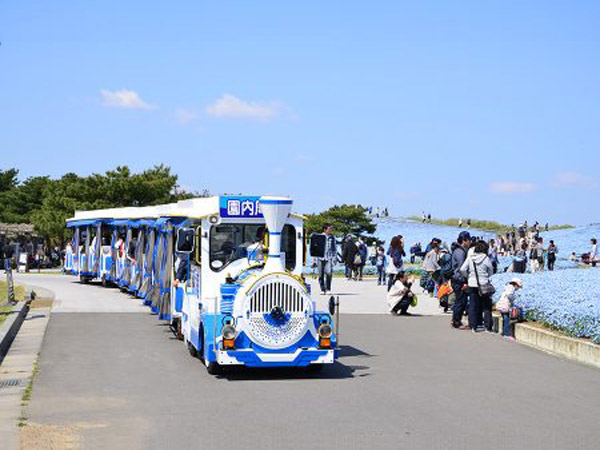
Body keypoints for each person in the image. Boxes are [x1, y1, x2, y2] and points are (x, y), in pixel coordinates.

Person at [460, 240, 494, 332]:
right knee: (486, 306)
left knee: (473, 305)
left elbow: (462, 269)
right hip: (484, 284)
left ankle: (473, 326)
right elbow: (491, 271)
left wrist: (469, 276)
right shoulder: (486, 258)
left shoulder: (470, 257)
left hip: (472, 283)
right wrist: (485, 276)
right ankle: (487, 326)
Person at [450, 231, 471, 329]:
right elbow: (462, 268)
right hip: (459, 280)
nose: (470, 242)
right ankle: (456, 322)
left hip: (457, 279)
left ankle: (455, 320)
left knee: (460, 300)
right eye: (468, 240)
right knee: (461, 301)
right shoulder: (460, 252)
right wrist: (465, 281)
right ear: (464, 240)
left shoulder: (459, 250)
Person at [317, 224, 337, 294]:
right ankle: (322, 289)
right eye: (329, 229)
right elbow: (315, 248)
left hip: (329, 258)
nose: (331, 230)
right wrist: (313, 259)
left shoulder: (332, 237)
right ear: (325, 230)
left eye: (331, 229)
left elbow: (334, 248)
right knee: (320, 274)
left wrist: (335, 258)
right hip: (320, 258)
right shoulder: (319, 237)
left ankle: (328, 289)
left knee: (329, 273)